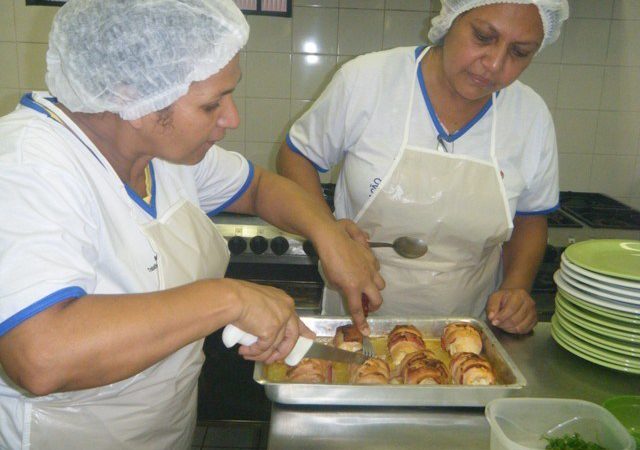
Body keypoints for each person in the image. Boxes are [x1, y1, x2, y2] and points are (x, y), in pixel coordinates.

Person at [0, 1, 384, 448]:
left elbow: (259, 187)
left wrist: (329, 233)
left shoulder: (162, 153)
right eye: (210, 104)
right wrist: (228, 299)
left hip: (165, 430)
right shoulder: (28, 164)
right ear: (132, 96)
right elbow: (40, 355)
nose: (231, 118)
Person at [277, 0, 569, 335]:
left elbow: (531, 217)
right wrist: (327, 233)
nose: (494, 63)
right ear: (452, 20)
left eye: (519, 52)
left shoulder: (530, 116)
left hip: (467, 330)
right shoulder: (368, 80)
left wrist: (516, 287)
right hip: (356, 317)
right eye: (483, 36)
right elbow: (297, 154)